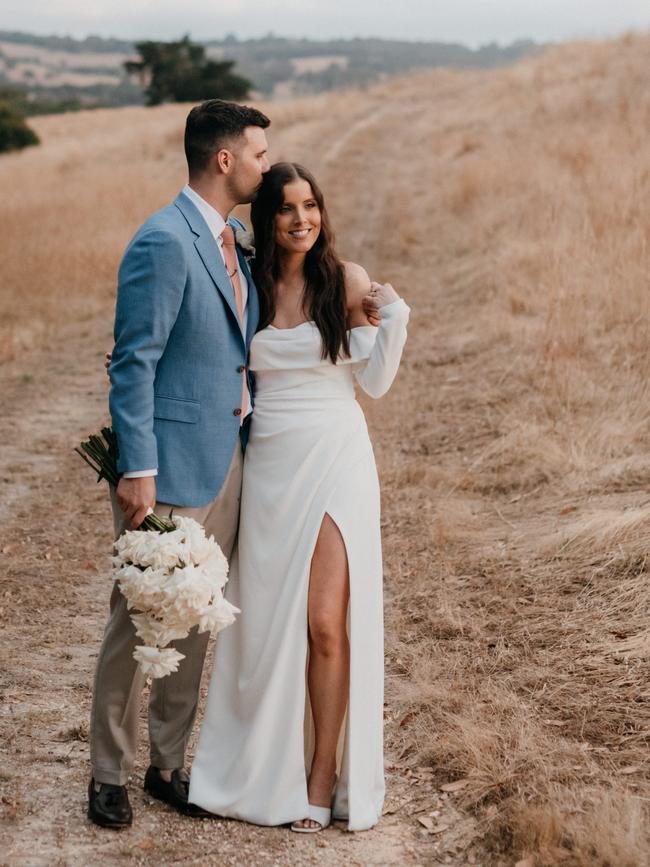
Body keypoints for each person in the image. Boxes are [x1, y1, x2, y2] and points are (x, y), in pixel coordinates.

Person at [189, 162, 410, 832]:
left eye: (310, 205)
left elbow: (373, 382)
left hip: (336, 454)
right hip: (271, 465)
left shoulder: (344, 280)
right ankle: (259, 768)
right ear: (268, 218)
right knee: (263, 627)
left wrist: (393, 315)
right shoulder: (250, 284)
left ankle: (322, 777)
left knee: (323, 622)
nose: (301, 220)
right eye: (286, 208)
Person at [87, 99, 271, 829]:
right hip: (165, 469)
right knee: (139, 623)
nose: (265, 161)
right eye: (258, 150)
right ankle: (107, 771)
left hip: (228, 461)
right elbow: (134, 362)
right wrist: (138, 468)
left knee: (196, 619)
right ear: (223, 159)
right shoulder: (163, 240)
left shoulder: (235, 239)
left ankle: (166, 764)